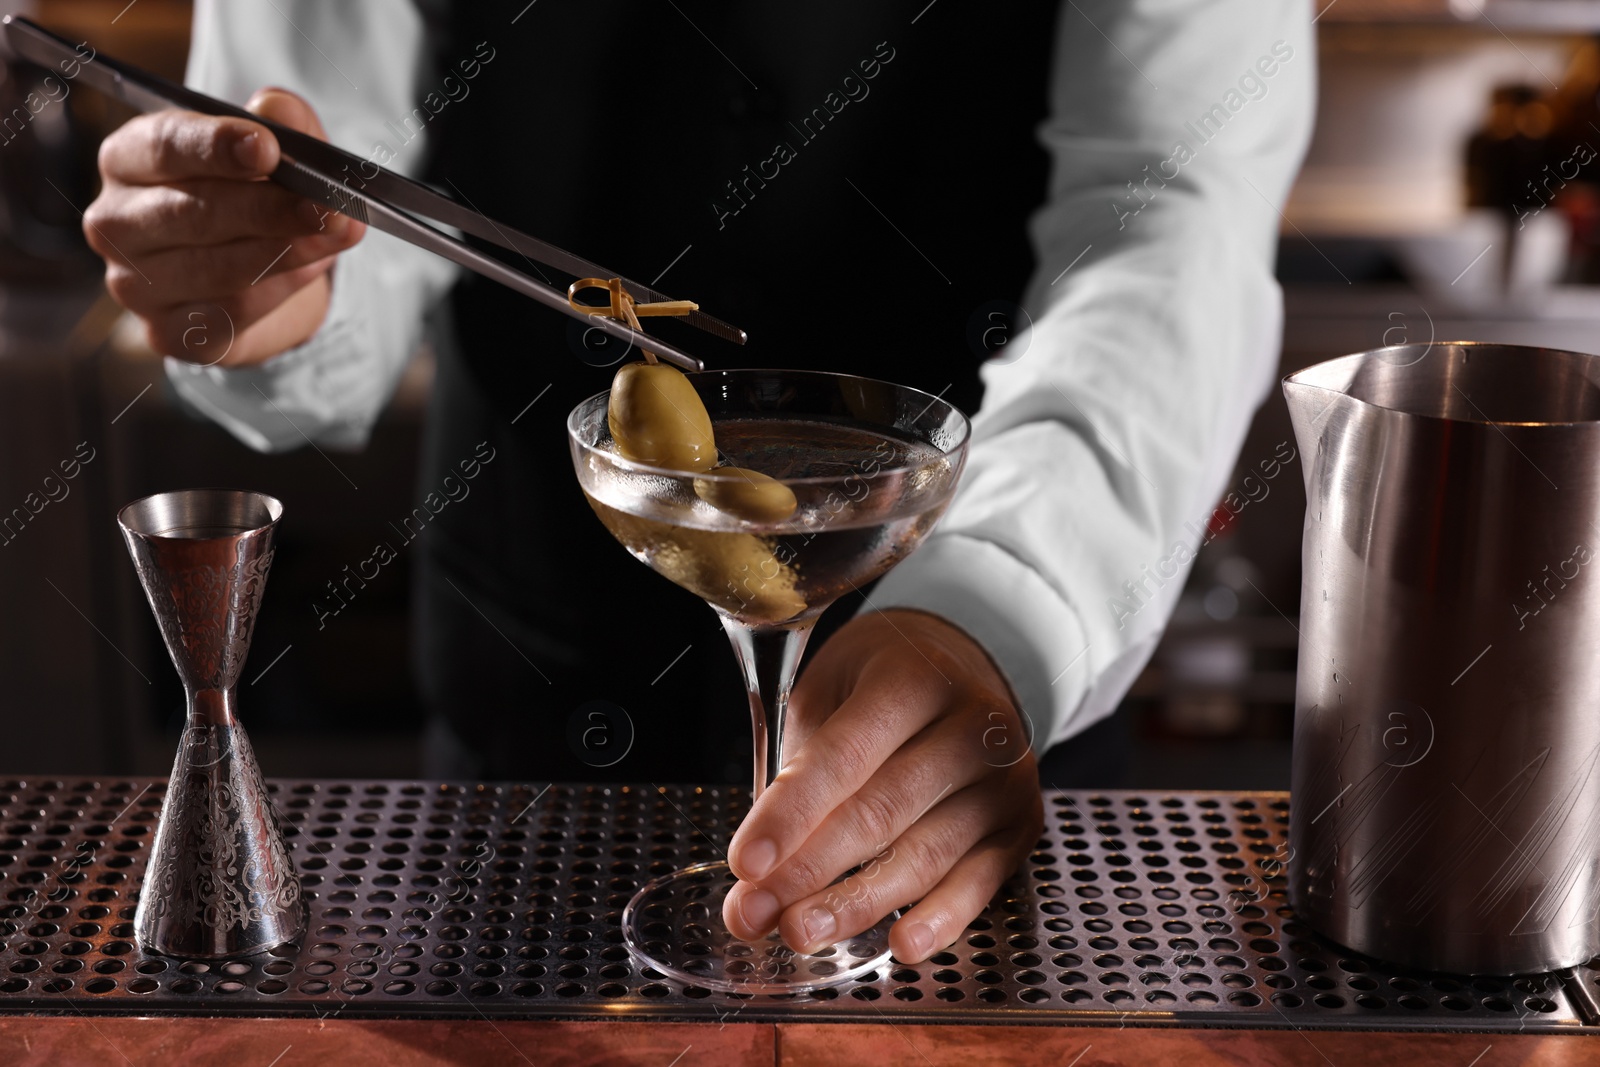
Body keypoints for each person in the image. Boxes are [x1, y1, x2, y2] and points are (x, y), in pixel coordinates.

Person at [81, 1, 1313, 965]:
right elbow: (324, 178)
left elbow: (1169, 220)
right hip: (530, 713)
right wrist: (259, 275)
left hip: (976, 731)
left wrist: (1013, 598)